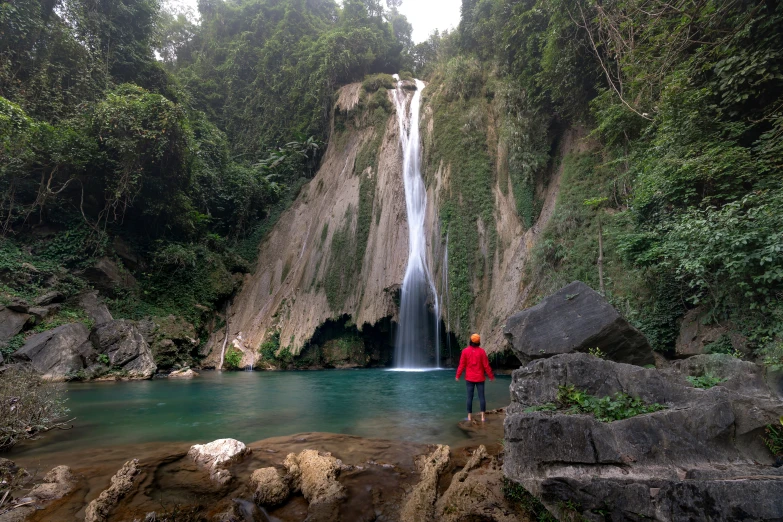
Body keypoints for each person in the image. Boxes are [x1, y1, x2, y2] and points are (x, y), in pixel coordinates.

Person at [455, 333, 495, 422]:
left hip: (469, 378)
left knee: (469, 397)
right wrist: (491, 376)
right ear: (478, 342)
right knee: (482, 397)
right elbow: (486, 366)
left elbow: (461, 365)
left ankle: (469, 417)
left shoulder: (465, 351)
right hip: (480, 378)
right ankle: (483, 417)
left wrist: (458, 375)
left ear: (470, 341)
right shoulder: (482, 352)